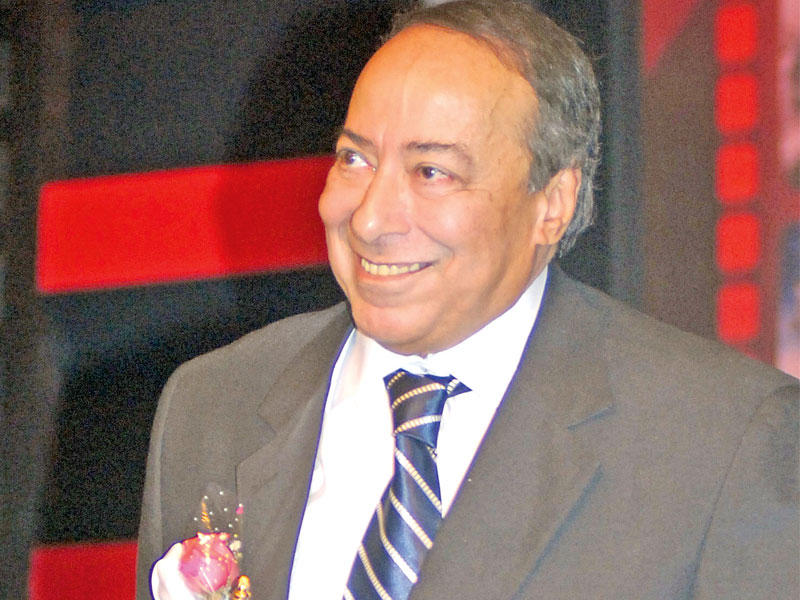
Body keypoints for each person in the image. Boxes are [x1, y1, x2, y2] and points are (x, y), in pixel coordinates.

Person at [137, 1, 799, 598]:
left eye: (432, 172)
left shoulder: (721, 442)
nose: (370, 218)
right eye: (354, 159)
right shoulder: (212, 405)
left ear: (552, 204)